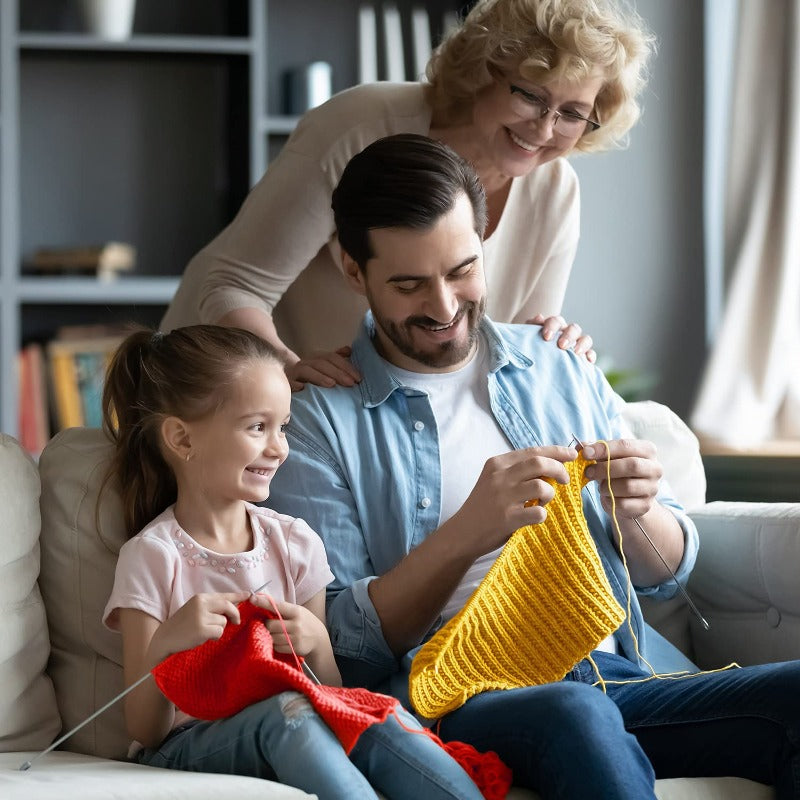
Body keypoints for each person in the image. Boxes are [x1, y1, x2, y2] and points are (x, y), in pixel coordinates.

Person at [267, 134, 800, 799]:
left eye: (462, 268)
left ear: (483, 237)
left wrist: (635, 515)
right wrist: (468, 531)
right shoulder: (319, 422)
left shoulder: (556, 363)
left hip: (620, 673)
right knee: (574, 714)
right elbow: (344, 643)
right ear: (354, 271)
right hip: (465, 693)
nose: (443, 306)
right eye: (409, 284)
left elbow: (668, 576)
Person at [161, 0, 655, 389]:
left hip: (367, 418)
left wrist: (556, 344)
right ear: (485, 70)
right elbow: (232, 284)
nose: (545, 129)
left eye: (572, 112)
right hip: (228, 382)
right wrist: (284, 375)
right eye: (530, 96)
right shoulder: (359, 126)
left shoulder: (556, 192)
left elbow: (515, 353)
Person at [99, 324, 488, 800]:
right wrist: (165, 646)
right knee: (291, 714)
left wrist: (318, 645)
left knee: (378, 714)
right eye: (257, 427)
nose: (279, 447)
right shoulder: (152, 556)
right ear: (181, 439)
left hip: (292, 718)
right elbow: (146, 729)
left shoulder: (294, 542)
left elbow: (327, 691)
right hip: (186, 745)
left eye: (282, 427)